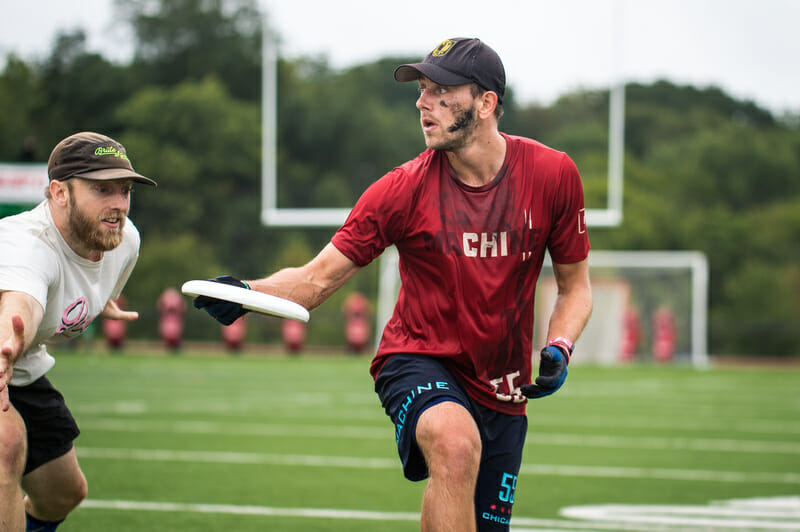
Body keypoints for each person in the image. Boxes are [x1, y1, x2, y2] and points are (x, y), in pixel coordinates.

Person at [194, 37, 592, 532]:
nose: (422, 102)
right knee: (454, 443)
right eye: (422, 90)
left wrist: (560, 344)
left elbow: (575, 287)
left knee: (475, 500)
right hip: (416, 356)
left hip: (501, 385)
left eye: (441, 91)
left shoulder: (553, 174)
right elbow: (317, 280)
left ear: (486, 103)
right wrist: (247, 294)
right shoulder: (400, 190)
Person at [0, 131, 156, 531]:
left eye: (124, 190)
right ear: (59, 193)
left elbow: (91, 282)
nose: (119, 204)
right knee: (7, 444)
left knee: (62, 494)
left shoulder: (125, 242)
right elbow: (22, 303)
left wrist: (102, 301)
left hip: (21, 362)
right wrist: (10, 339)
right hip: (7, 349)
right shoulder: (29, 247)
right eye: (102, 189)